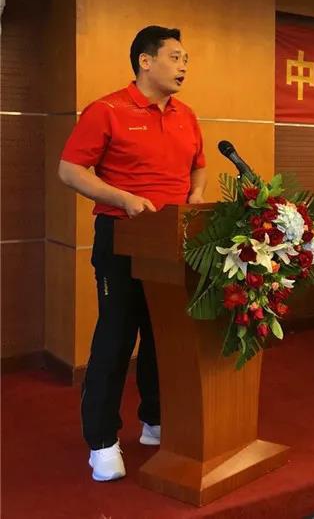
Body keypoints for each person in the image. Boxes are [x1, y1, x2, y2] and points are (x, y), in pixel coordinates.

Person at [58, 26, 207, 482]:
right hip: (121, 235)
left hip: (172, 239)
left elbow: (199, 167)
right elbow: (70, 170)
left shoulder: (186, 115)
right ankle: (102, 440)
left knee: (163, 332)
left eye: (186, 59)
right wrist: (122, 197)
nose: (184, 66)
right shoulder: (108, 110)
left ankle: (154, 419)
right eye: (176, 57)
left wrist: (196, 196)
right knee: (117, 333)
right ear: (145, 61)